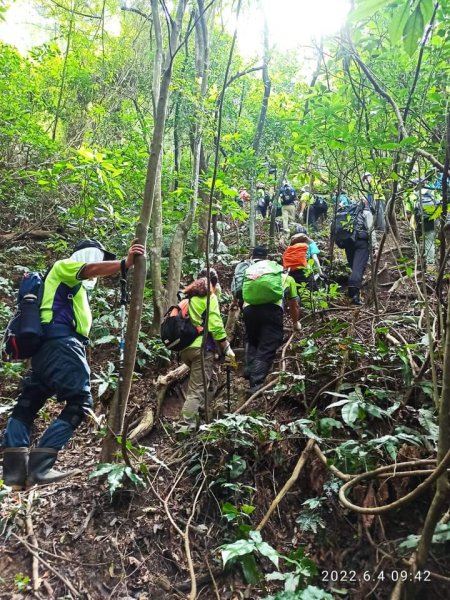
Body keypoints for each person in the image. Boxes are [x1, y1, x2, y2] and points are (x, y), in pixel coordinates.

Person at [2, 239, 145, 489]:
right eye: (97, 255)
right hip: (61, 344)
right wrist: (125, 263)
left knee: (28, 402)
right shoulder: (65, 267)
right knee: (80, 402)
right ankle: (40, 466)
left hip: (45, 350)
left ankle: (14, 473)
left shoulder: (70, 287)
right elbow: (89, 269)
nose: (98, 261)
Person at [241, 246, 300, 394]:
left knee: (252, 339)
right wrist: (295, 323)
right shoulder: (286, 278)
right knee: (268, 344)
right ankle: (256, 382)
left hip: (249, 309)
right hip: (272, 310)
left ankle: (249, 368)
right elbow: (294, 305)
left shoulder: (253, 275)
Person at [179, 271, 235, 427]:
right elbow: (215, 325)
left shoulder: (189, 298)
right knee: (196, 391)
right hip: (202, 349)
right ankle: (184, 427)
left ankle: (201, 415)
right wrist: (226, 348)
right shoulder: (209, 298)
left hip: (185, 350)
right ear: (214, 283)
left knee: (211, 382)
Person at [338, 200, 377, 305]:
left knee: (354, 267)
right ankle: (354, 295)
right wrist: (374, 246)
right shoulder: (366, 213)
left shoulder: (348, 215)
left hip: (348, 242)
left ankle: (354, 289)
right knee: (357, 269)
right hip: (361, 243)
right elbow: (370, 230)